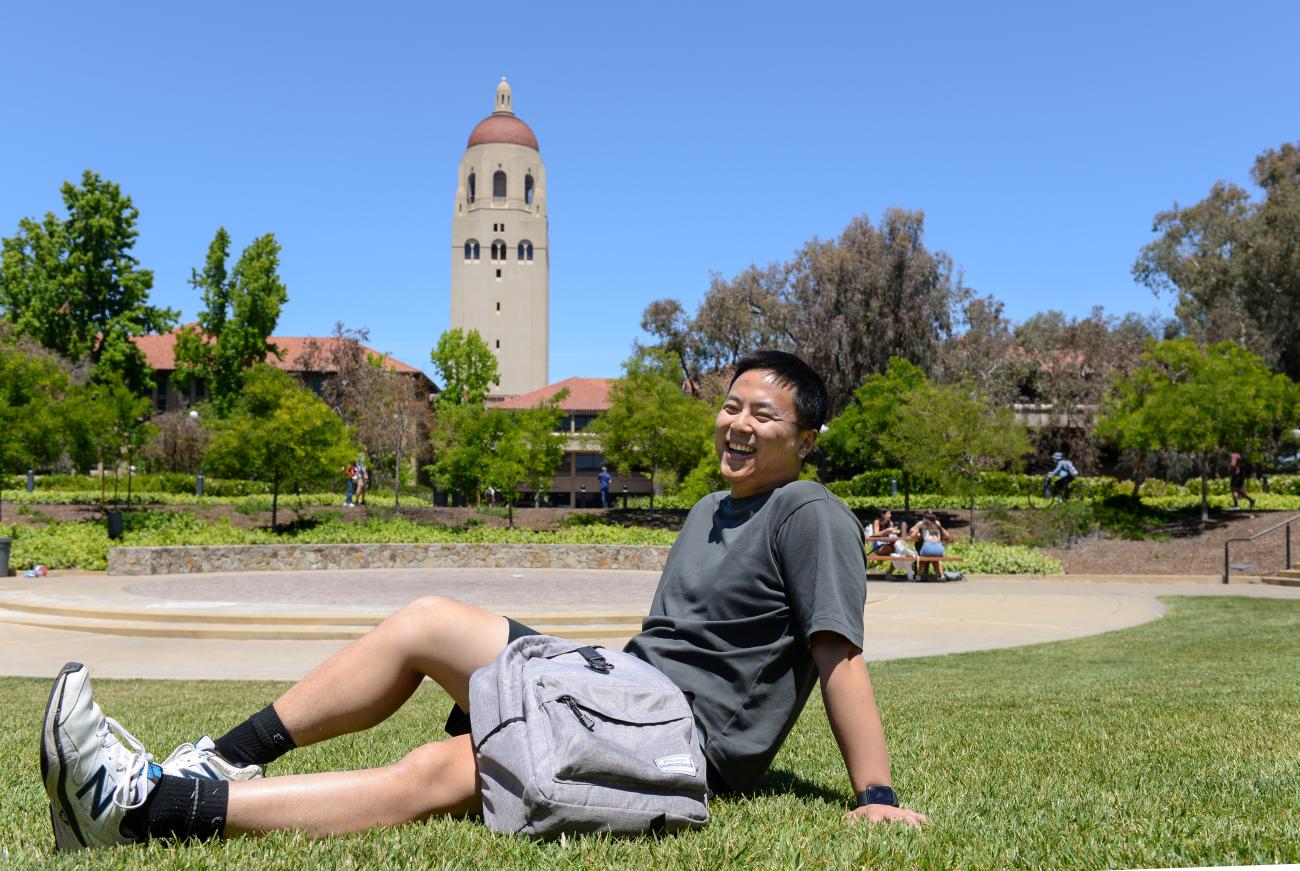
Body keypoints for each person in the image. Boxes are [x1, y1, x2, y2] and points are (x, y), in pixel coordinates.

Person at [38, 350, 926, 852]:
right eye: (732, 406)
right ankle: (217, 762)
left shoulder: (810, 512)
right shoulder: (709, 507)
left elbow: (837, 654)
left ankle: (148, 812)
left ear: (805, 438)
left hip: (677, 736)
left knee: (444, 772)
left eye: (764, 417)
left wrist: (874, 789)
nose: (738, 425)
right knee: (426, 620)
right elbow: (675, 639)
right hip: (624, 681)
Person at [908, 512, 951, 580]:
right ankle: (942, 575)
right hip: (939, 549)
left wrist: (918, 529)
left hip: (927, 548)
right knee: (936, 559)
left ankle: (918, 576)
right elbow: (948, 536)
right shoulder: (938, 528)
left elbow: (912, 536)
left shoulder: (923, 527)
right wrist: (940, 526)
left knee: (922, 559)